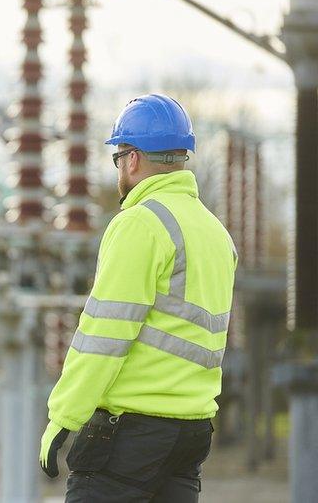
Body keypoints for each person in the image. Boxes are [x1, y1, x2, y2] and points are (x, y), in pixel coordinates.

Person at [39, 94, 238, 502]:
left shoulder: (141, 222)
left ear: (132, 159)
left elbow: (103, 336)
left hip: (130, 435)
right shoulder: (216, 233)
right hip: (192, 430)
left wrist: (64, 416)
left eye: (118, 157)